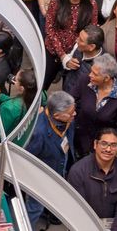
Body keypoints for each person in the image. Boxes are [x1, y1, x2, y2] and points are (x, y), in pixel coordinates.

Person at [24, 91, 76, 225]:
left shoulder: (67, 120)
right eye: (71, 113)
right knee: (35, 207)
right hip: (42, 176)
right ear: (57, 115)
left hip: (59, 166)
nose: (74, 114)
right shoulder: (38, 132)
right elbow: (28, 158)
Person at [67, 126, 117, 230]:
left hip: (113, 224)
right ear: (95, 144)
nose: (108, 149)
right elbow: (78, 209)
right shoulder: (78, 171)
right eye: (104, 144)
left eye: (113, 145)